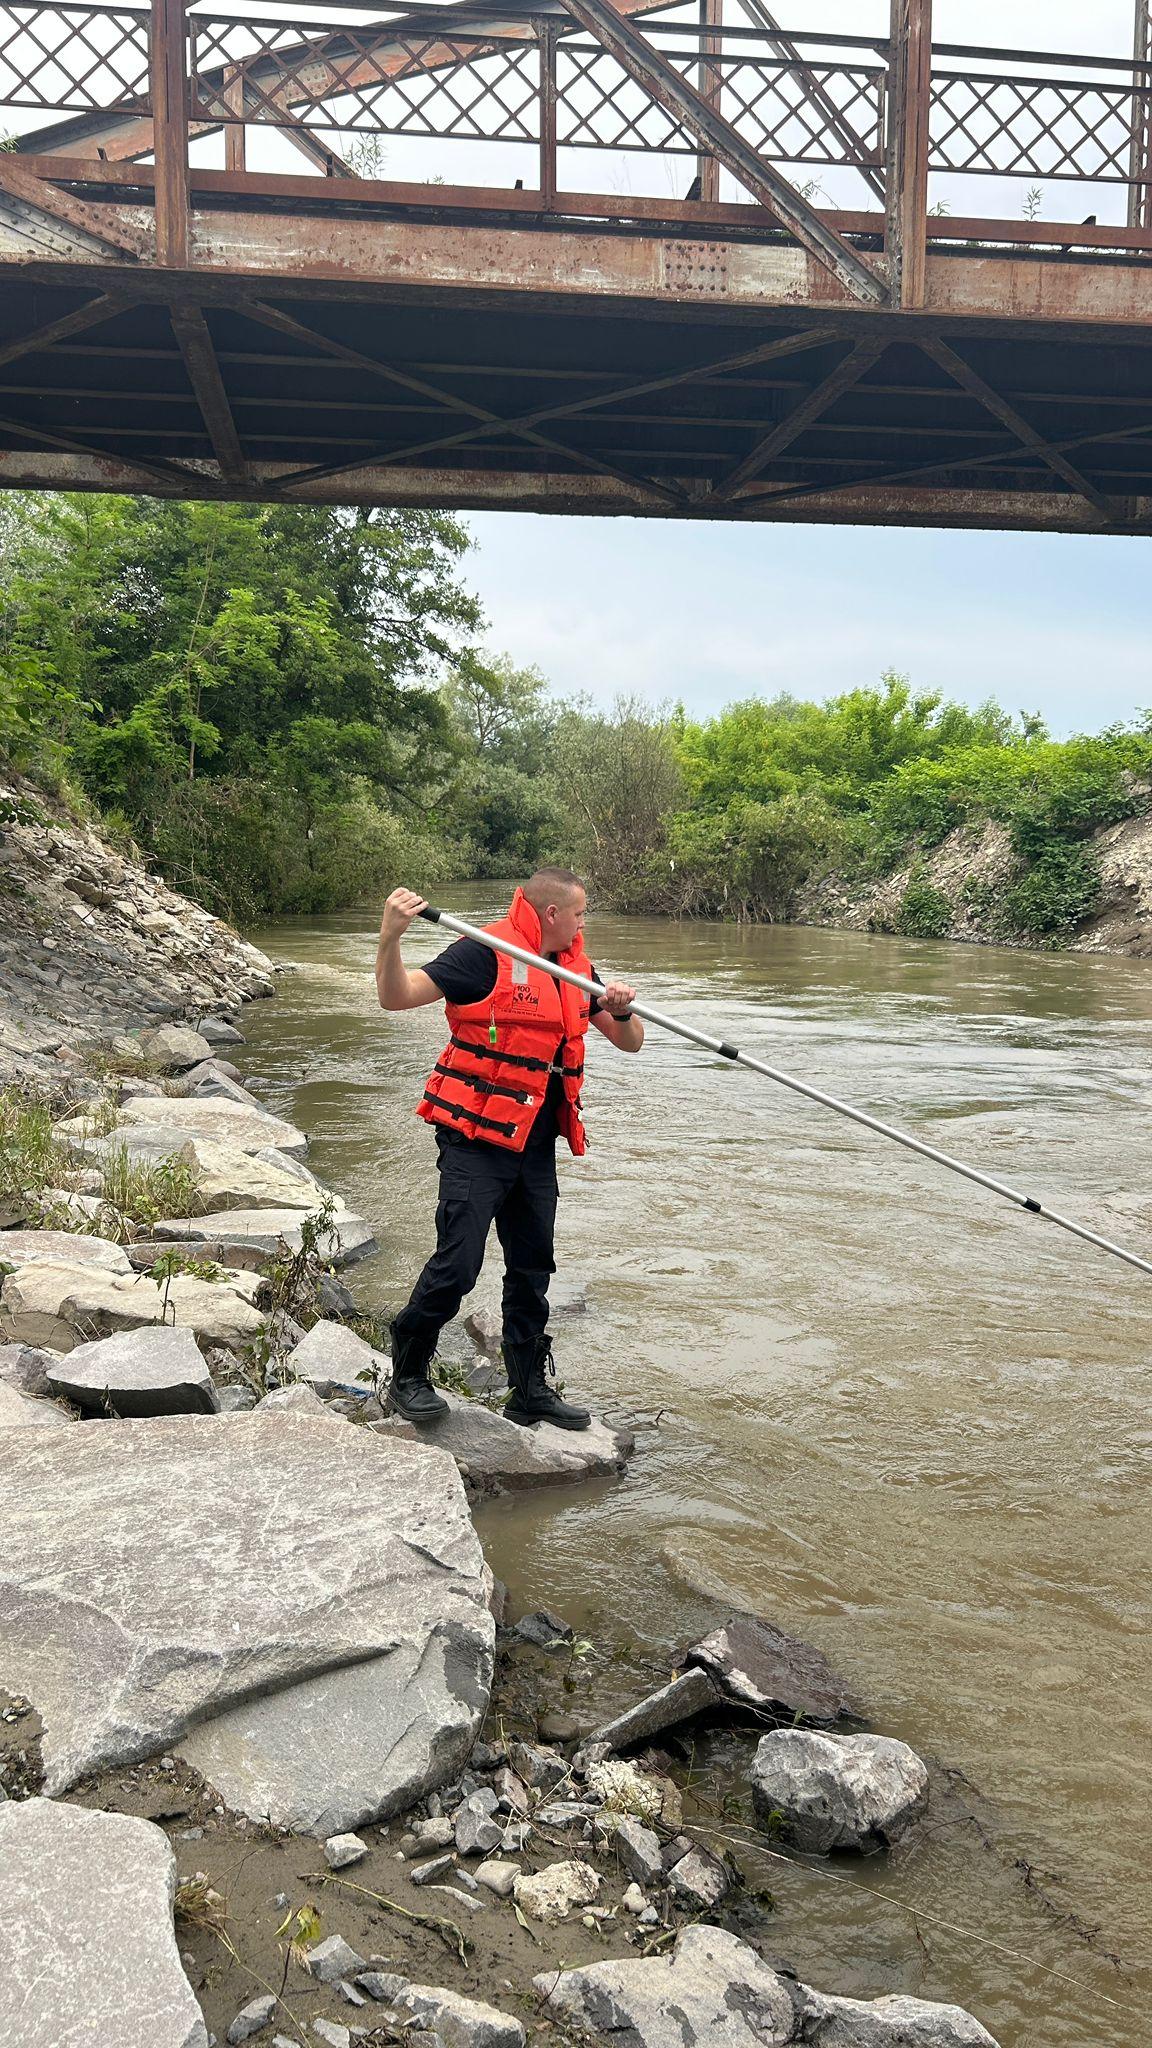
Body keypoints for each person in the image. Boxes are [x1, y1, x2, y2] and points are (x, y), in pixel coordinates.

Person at [375, 869, 644, 1430]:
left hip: (534, 1145)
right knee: (459, 1261)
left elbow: (629, 1042)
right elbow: (395, 999)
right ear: (552, 914)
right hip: (475, 1140)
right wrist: (391, 936)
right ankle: (407, 1370)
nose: (584, 922)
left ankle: (527, 1390)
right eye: (580, 913)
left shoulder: (574, 968)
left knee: (531, 1267)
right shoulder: (482, 953)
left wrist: (619, 1008)